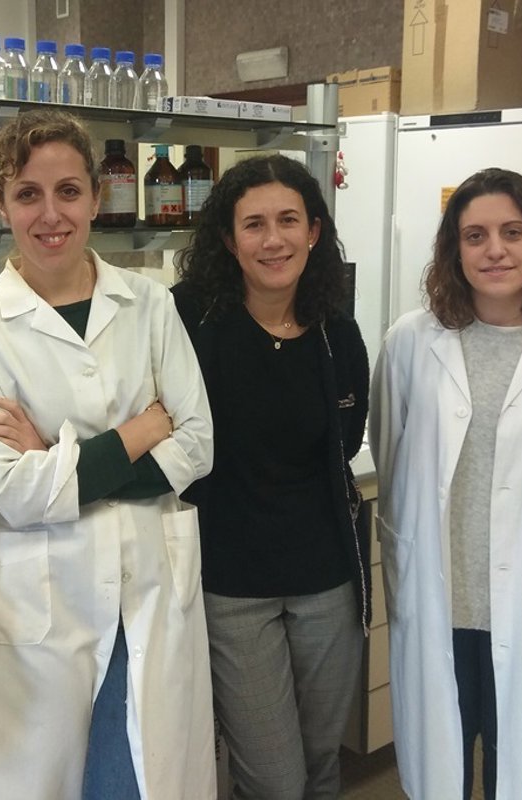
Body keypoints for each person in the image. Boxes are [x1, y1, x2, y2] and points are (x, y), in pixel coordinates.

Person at [0, 109, 215, 800]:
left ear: (96, 197)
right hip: (43, 610)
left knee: (144, 777)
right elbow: (16, 494)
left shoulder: (148, 303)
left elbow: (198, 443)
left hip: (150, 586)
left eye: (68, 191)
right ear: (2, 204)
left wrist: (57, 459)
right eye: (27, 194)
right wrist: (140, 430)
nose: (50, 214)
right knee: (50, 780)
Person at [370, 167, 522, 800]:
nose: (495, 251)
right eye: (475, 236)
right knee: (443, 762)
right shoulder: (410, 341)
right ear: (454, 250)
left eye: (512, 232)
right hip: (440, 599)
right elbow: (391, 461)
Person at [172, 153, 369, 800]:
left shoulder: (338, 331)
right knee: (275, 780)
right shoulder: (189, 321)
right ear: (229, 241)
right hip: (232, 585)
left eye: (288, 220)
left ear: (313, 232)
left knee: (321, 763)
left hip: (326, 581)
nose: (273, 239)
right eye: (253, 224)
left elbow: (345, 441)